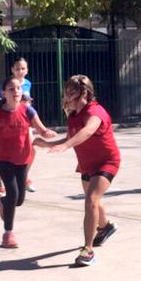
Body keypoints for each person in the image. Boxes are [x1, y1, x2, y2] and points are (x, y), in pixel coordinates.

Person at [34, 75, 120, 267]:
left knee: (91, 200)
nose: (67, 97)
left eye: (72, 93)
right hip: (87, 164)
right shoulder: (73, 115)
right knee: (93, 201)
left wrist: (66, 146)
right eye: (66, 92)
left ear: (85, 93)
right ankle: (105, 227)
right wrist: (46, 143)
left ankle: (88, 251)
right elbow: (71, 137)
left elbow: (87, 131)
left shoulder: (95, 112)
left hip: (107, 162)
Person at [0, 76, 56, 248]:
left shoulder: (28, 110)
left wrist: (47, 133)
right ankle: (8, 233)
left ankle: (1, 200)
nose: (16, 91)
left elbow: (40, 128)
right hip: (3, 157)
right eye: (11, 89)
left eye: (18, 88)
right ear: (3, 93)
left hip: (22, 157)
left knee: (18, 200)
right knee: (12, 193)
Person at [0, 57, 37, 196]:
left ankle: (24, 177)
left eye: (23, 68)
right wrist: (7, 107)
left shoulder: (28, 84)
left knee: (31, 150)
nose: (20, 71)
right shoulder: (6, 85)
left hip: (24, 121)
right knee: (6, 154)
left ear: (27, 70)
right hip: (8, 124)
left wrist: (25, 105)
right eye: (17, 68)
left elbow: (25, 101)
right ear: (12, 70)